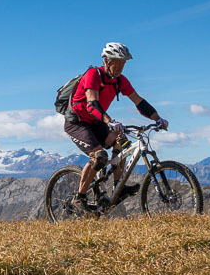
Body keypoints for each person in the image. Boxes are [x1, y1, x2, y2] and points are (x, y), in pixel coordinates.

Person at [63, 42, 168, 215]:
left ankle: (118, 187)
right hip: (77, 122)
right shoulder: (93, 75)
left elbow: (139, 101)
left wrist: (158, 118)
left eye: (123, 63)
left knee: (123, 143)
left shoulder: (121, 80)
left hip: (97, 122)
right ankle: (79, 198)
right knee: (99, 156)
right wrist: (109, 121)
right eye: (116, 63)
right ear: (106, 61)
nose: (120, 67)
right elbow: (92, 104)